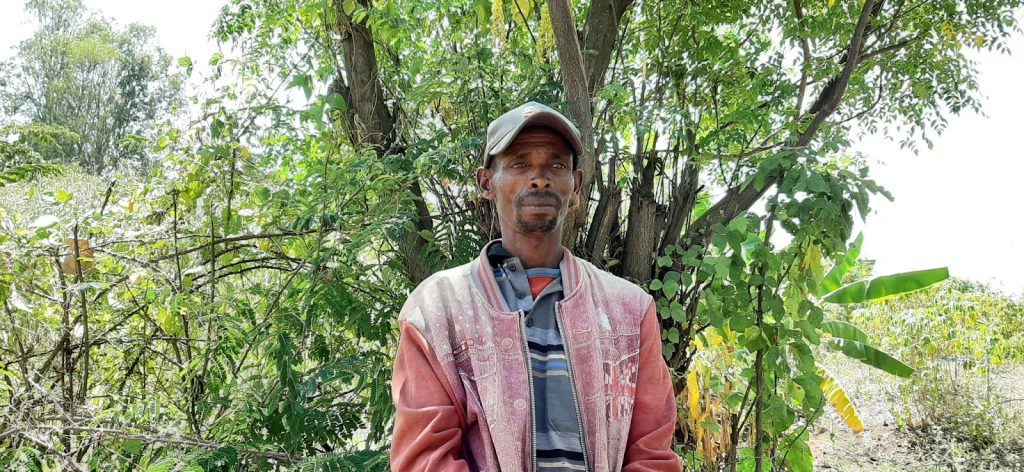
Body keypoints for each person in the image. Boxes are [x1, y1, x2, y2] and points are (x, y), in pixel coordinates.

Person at [390, 101, 680, 471]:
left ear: (574, 185)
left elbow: (651, 454)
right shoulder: (436, 310)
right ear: (486, 183)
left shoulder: (628, 310)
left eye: (556, 165)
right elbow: (425, 460)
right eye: (519, 164)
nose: (539, 178)